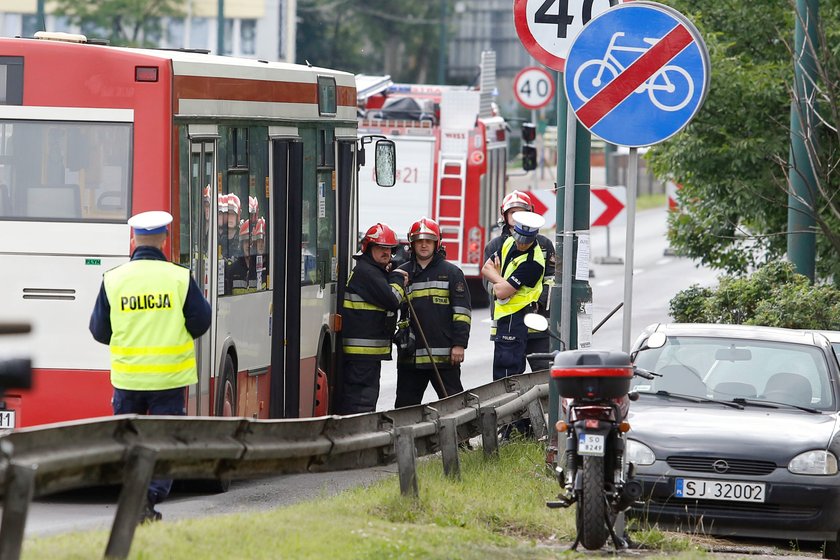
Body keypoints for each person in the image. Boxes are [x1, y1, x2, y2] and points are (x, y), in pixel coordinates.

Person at [89, 210, 211, 523]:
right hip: (169, 379)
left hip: (128, 379)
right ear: (165, 240)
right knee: (165, 442)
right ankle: (150, 496)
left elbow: (99, 330)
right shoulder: (179, 277)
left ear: (133, 240)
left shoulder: (114, 279)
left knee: (129, 442)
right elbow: (201, 320)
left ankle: (135, 496)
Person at [394, 218, 471, 407]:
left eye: (428, 241)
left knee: (455, 408)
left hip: (444, 356)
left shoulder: (452, 273)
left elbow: (462, 313)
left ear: (437, 244)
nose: (423, 245)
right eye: (419, 241)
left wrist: (459, 345)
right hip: (410, 358)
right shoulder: (401, 274)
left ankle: (460, 438)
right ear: (411, 244)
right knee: (405, 409)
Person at [338, 223, 408, 414]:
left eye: (389, 249)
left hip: (366, 354)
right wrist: (398, 279)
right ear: (368, 248)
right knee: (360, 403)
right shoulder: (367, 272)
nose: (386, 253)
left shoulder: (374, 271)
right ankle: (356, 440)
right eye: (381, 248)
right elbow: (393, 300)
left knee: (364, 400)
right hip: (362, 355)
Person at [483, 190, 556, 371]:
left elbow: (551, 280)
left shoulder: (544, 245)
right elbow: (488, 282)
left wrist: (537, 301)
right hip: (506, 324)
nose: (516, 217)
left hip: (537, 322)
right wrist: (505, 287)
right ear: (504, 215)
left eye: (521, 212)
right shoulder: (496, 245)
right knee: (509, 380)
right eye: (512, 213)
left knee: (544, 376)